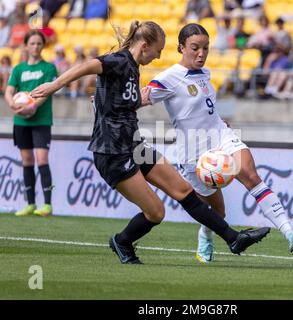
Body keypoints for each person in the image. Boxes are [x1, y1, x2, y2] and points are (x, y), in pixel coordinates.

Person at [31, 20, 270, 265]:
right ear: (144, 45)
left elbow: (122, 103)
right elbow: (90, 65)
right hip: (112, 153)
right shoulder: (120, 61)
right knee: (156, 212)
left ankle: (234, 239)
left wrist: (116, 101)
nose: (157, 57)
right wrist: (55, 85)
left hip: (135, 146)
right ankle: (122, 241)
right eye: (157, 50)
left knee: (184, 191)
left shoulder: (133, 68)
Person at [146, 23, 293, 263]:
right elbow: (140, 98)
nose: (201, 53)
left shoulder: (205, 73)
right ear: (181, 47)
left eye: (205, 48)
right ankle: (205, 235)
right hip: (194, 153)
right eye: (195, 48)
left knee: (251, 176)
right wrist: (107, 100)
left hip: (220, 135)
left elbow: (205, 108)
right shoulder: (168, 78)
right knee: (218, 212)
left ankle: (290, 233)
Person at [4, 30, 58, 217]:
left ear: (43, 46)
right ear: (26, 46)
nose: (35, 47)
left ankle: (48, 205)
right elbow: (9, 91)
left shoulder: (49, 68)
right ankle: (30, 204)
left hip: (41, 120)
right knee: (27, 161)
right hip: (21, 121)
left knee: (42, 160)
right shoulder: (18, 69)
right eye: (32, 43)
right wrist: (13, 105)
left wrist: (32, 106)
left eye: (39, 43)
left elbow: (47, 92)